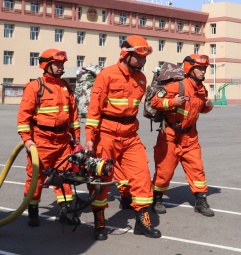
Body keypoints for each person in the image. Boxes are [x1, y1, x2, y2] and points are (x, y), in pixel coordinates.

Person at [85, 36, 160, 240]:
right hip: (106, 135)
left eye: (144, 57)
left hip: (130, 135)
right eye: (138, 56)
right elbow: (94, 108)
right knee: (101, 179)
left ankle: (142, 221)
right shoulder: (107, 74)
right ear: (125, 54)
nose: (142, 61)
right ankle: (99, 220)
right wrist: (90, 137)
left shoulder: (141, 78)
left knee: (142, 177)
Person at [17, 49, 81, 228]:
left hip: (63, 141)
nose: (61, 68)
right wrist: (27, 140)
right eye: (57, 65)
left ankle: (65, 211)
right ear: (46, 66)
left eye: (62, 65)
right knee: (35, 177)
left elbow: (73, 115)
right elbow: (23, 116)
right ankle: (33, 210)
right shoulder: (34, 87)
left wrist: (76, 136)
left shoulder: (66, 86)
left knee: (64, 176)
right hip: (41, 141)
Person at [150, 54, 215, 217]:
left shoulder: (202, 89)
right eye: (199, 68)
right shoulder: (176, 86)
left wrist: (208, 106)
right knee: (164, 172)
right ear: (189, 69)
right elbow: (154, 102)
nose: (203, 71)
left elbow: (198, 110)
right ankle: (157, 199)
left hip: (190, 137)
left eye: (204, 68)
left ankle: (201, 201)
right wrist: (173, 102)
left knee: (197, 169)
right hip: (170, 136)